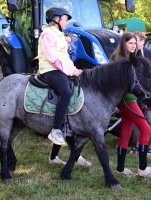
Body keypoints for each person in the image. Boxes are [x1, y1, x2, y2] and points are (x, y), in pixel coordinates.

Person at [110, 32, 151, 178]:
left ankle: (120, 169)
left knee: (126, 133)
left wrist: (142, 100)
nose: (133, 45)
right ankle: (143, 168)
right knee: (146, 130)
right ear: (123, 43)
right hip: (125, 100)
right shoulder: (118, 59)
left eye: (134, 43)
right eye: (130, 43)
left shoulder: (133, 59)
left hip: (132, 99)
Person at [38, 6, 82, 146]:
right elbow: (53, 58)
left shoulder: (60, 35)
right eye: (65, 19)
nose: (67, 22)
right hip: (49, 69)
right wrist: (69, 72)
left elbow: (65, 57)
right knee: (66, 92)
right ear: (56, 20)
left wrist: (75, 70)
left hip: (60, 69)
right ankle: (56, 129)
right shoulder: (48, 34)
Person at [48, 33, 91, 167]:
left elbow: (69, 67)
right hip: (54, 78)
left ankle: (55, 156)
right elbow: (58, 67)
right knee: (66, 123)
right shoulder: (54, 53)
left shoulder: (67, 56)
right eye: (65, 41)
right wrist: (71, 72)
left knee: (66, 125)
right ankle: (75, 156)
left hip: (65, 80)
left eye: (69, 42)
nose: (67, 43)